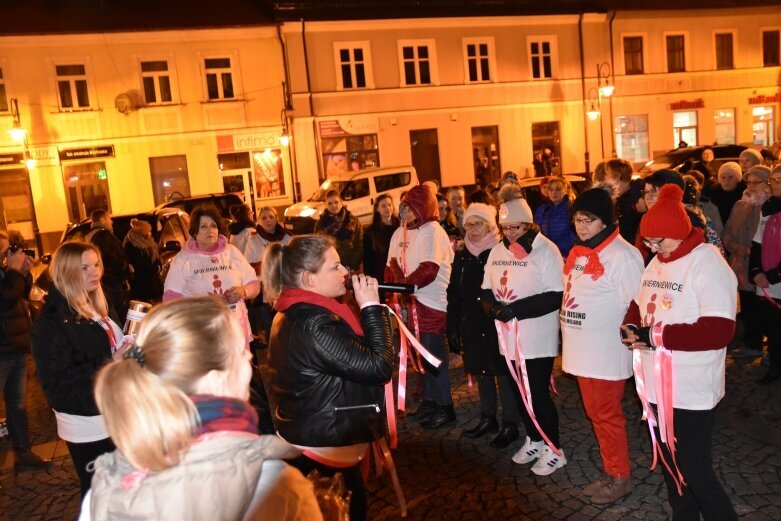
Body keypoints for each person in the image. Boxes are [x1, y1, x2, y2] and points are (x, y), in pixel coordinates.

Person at [79, 297, 322, 521]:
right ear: (215, 380)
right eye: (240, 352)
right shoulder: (275, 486)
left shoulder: (106, 485)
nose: (249, 358)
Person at [622, 184, 738, 521]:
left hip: (690, 387)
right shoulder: (657, 260)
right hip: (657, 383)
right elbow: (638, 301)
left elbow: (719, 330)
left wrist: (655, 335)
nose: (655, 248)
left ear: (678, 232)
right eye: (649, 242)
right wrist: (631, 326)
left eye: (661, 241)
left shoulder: (707, 263)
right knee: (671, 463)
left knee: (695, 468)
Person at [261, 235, 394, 521]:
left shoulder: (294, 311)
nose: (346, 272)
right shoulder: (314, 323)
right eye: (335, 267)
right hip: (324, 453)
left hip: (313, 437)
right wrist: (371, 308)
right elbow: (379, 366)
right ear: (309, 279)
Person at [561, 189, 643, 504]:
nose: (581, 227)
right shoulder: (581, 251)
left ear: (605, 221)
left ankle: (620, 476)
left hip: (606, 352)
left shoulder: (622, 255)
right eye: (578, 220)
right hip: (583, 351)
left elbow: (637, 303)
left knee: (607, 414)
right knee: (595, 414)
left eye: (589, 220)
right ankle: (611, 470)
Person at [481, 198, 566, 476]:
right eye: (505, 228)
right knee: (518, 393)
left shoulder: (546, 250)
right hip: (507, 338)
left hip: (536, 338)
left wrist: (514, 310)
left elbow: (555, 295)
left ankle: (555, 449)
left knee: (537, 393)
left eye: (515, 227)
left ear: (528, 224)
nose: (510, 234)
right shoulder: (497, 251)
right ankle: (535, 439)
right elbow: (484, 290)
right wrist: (492, 308)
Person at [31, 242, 118, 497]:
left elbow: (111, 349)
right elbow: (57, 388)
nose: (95, 272)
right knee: (98, 497)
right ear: (65, 272)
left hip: (116, 414)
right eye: (84, 268)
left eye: (96, 264)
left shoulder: (97, 303)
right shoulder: (50, 324)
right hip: (89, 425)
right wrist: (111, 362)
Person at [447, 203, 520, 446]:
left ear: (490, 225)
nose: (473, 229)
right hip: (471, 321)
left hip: (496, 321)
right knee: (481, 371)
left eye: (478, 224)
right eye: (469, 224)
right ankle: (488, 417)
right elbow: (454, 292)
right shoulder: (462, 254)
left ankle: (511, 422)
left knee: (503, 372)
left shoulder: (501, 251)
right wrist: (453, 326)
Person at [386, 186, 455, 429]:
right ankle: (430, 401)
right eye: (402, 206)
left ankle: (445, 406)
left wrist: (405, 288)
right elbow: (392, 264)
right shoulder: (399, 233)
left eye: (409, 207)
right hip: (410, 301)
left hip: (432, 302)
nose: (403, 211)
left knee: (432, 355)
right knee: (419, 356)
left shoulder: (432, 231)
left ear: (422, 208)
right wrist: (398, 291)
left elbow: (429, 269)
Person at [0, 229, 51, 472]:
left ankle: (23, 452)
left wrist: (23, 272)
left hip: (16, 346)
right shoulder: (5, 270)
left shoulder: (5, 269)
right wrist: (12, 270)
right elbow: (6, 297)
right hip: (2, 349)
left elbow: (18, 293)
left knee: (18, 405)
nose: (8, 250)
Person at [163, 205, 260, 329]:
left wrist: (243, 291)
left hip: (235, 329)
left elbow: (254, 283)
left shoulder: (232, 252)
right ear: (194, 232)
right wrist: (204, 304)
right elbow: (170, 300)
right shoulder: (183, 259)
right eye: (204, 226)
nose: (210, 230)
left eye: (213, 225)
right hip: (201, 332)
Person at [723, 166, 772, 360]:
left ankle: (768, 344)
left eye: (755, 182)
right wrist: (733, 245)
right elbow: (727, 229)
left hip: (759, 264)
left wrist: (751, 249)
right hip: (738, 263)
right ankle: (752, 343)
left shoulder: (769, 206)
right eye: (748, 182)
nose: (750, 186)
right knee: (748, 306)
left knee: (763, 307)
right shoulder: (740, 205)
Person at [749, 165, 781, 384]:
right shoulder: (768, 207)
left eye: (780, 179)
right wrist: (756, 272)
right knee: (773, 328)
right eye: (774, 179)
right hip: (768, 282)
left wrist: (772, 276)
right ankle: (775, 368)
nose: (776, 183)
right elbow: (757, 243)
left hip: (775, 278)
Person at [86, 209, 130, 320]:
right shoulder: (104, 236)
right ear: (102, 220)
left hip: (101, 280)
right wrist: (125, 268)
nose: (112, 222)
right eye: (109, 218)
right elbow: (114, 258)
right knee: (118, 311)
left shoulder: (89, 236)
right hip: (111, 280)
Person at [314, 189, 363, 272]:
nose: (333, 205)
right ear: (326, 205)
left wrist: (352, 264)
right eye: (330, 203)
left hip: (351, 267)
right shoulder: (320, 224)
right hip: (330, 268)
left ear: (341, 202)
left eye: (336, 202)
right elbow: (318, 247)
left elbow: (360, 243)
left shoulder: (352, 221)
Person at [534, 176, 576, 257]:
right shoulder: (543, 209)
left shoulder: (571, 208)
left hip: (567, 255)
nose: (554, 192)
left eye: (558, 189)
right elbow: (537, 233)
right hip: (548, 255)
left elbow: (576, 235)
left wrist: (558, 250)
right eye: (551, 189)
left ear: (565, 190)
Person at [123, 218, 163, 303]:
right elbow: (138, 263)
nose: (149, 233)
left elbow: (155, 256)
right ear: (141, 233)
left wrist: (158, 264)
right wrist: (154, 268)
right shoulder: (131, 244)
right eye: (147, 231)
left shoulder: (149, 241)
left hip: (152, 281)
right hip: (141, 283)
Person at [604, 159, 644, 244]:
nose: (605, 178)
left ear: (617, 176)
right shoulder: (617, 197)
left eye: (607, 174)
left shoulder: (637, 196)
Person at [362, 194, 400, 282]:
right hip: (380, 275)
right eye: (383, 206)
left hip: (400, 272)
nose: (388, 208)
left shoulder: (400, 227)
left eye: (389, 205)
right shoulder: (370, 232)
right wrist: (369, 278)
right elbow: (367, 258)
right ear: (377, 209)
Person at [229, 204, 263, 273]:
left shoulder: (233, 232)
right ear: (247, 215)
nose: (252, 215)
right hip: (247, 266)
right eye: (251, 213)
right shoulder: (250, 232)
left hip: (235, 265)